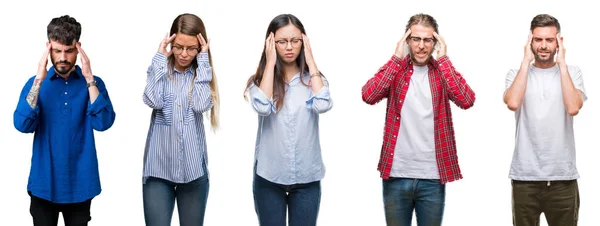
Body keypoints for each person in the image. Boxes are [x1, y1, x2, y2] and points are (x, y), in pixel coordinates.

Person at [361, 13, 475, 226]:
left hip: (432, 176)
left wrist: (445, 60)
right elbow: (369, 95)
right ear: (407, 41)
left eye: (427, 40)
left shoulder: (442, 72)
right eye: (415, 39)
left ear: (435, 43)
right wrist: (396, 58)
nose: (421, 46)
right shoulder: (396, 71)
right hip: (396, 175)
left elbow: (467, 99)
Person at [13, 15, 116, 226]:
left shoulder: (94, 84)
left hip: (80, 184)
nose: (63, 57)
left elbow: (103, 123)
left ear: (78, 49)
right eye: (57, 51)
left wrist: (89, 78)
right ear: (48, 48)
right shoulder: (35, 85)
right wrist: (39, 80)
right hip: (43, 183)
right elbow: (22, 125)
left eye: (69, 51)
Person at [243, 13, 333, 226]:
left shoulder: (314, 79)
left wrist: (311, 61)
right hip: (269, 178)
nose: (289, 47)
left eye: (295, 41)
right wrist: (270, 62)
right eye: (282, 42)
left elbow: (323, 105)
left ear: (303, 42)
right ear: (271, 43)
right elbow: (262, 107)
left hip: (307, 179)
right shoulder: (258, 81)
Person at [503, 14, 586, 226]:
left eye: (549, 40)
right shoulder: (516, 73)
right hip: (524, 178)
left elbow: (573, 107)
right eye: (538, 39)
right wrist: (525, 62)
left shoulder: (572, 73)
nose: (543, 46)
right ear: (530, 41)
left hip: (563, 178)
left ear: (559, 41)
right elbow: (512, 102)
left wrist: (562, 64)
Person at [142, 13, 220, 226]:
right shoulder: (160, 71)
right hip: (159, 172)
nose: (184, 54)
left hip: (194, 174)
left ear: (200, 46)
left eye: (191, 48)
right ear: (170, 43)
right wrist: (159, 58)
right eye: (178, 47)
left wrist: (203, 60)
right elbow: (152, 99)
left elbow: (201, 105)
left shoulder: (201, 73)